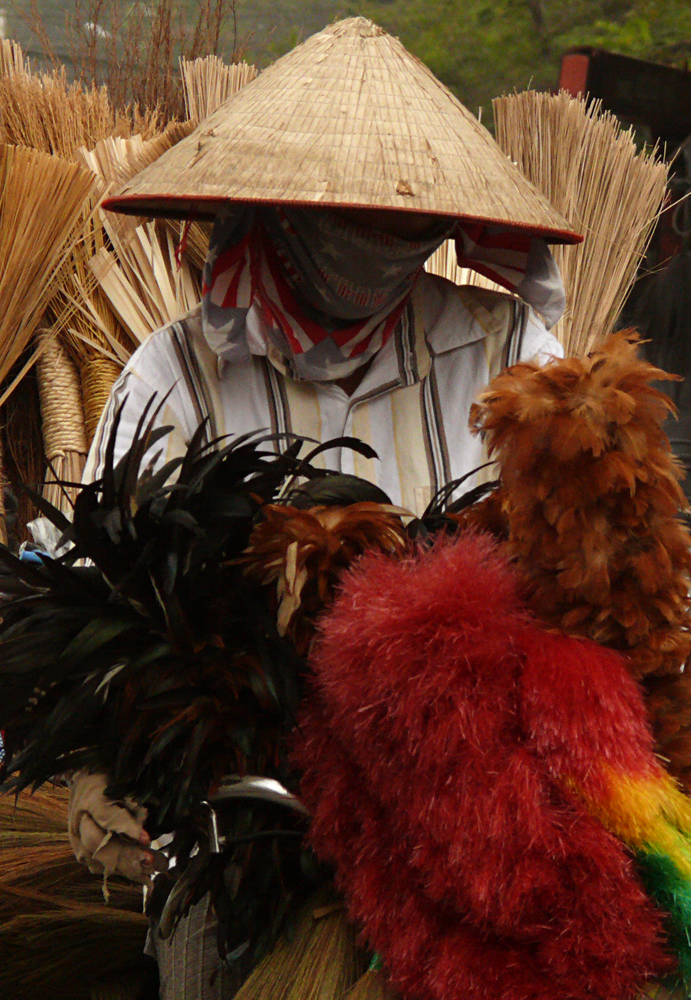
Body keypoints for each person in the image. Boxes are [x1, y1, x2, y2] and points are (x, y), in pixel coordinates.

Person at [66, 17, 579, 999]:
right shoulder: (175, 375)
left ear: (437, 223)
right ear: (271, 211)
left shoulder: (507, 353)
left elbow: (587, 580)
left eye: (394, 226)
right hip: (245, 835)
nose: (368, 248)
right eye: (336, 221)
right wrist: (104, 763)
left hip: (465, 829)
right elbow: (110, 607)